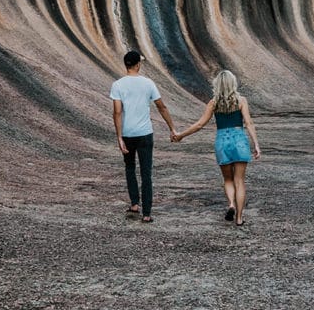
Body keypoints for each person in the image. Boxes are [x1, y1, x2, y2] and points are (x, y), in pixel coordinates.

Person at [172, 70, 261, 226]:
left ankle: (231, 204)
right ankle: (239, 218)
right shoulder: (241, 101)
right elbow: (248, 123)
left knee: (228, 179)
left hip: (222, 141)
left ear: (217, 85)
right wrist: (256, 144)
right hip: (239, 140)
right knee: (239, 181)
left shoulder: (213, 103)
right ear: (233, 83)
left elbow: (200, 124)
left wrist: (181, 135)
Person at [110, 50, 177, 223]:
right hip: (145, 133)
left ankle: (134, 204)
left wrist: (119, 137)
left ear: (126, 65)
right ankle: (147, 213)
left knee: (130, 168)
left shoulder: (117, 85)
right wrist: (172, 128)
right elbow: (161, 107)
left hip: (127, 133)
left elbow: (117, 112)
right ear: (138, 64)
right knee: (146, 173)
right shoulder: (148, 83)